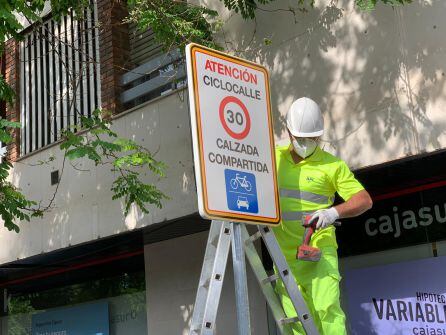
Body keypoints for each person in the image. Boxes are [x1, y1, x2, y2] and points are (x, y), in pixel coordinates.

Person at [273, 97, 373, 335]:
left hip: (319, 247)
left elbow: (364, 200)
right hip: (284, 254)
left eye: (311, 138)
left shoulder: (332, 166)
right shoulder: (272, 159)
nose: (305, 143)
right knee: (295, 321)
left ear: (319, 136)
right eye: (300, 138)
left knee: (327, 309)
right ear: (288, 132)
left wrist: (333, 212)